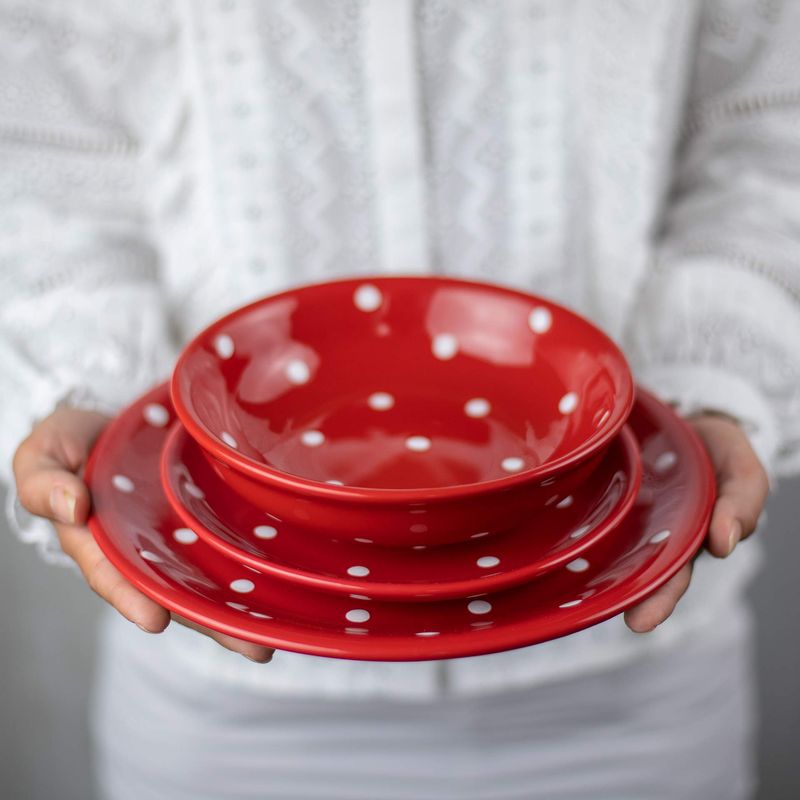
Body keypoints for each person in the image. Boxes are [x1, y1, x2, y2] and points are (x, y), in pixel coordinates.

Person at [2, 1, 799, 798]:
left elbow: (767, 128)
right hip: (227, 687)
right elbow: (45, 155)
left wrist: (716, 376)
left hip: (630, 673)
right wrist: (84, 377)